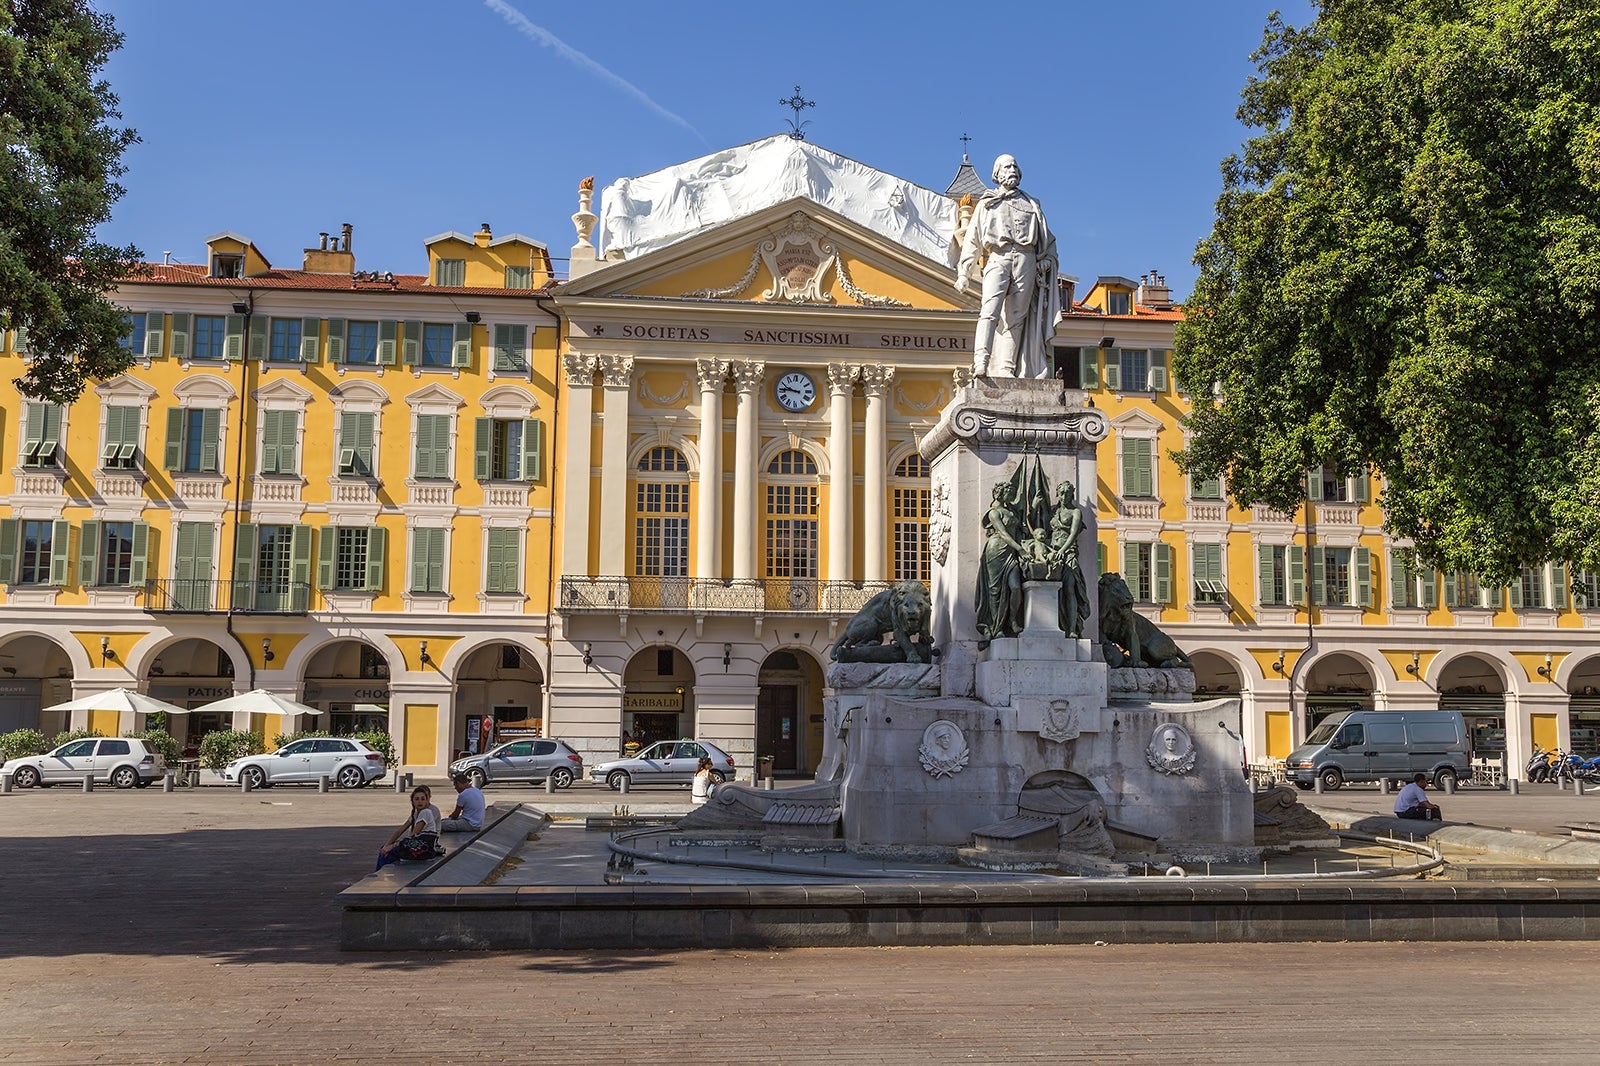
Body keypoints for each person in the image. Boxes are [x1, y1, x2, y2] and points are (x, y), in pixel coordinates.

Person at [954, 154, 1061, 378]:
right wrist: (964, 273)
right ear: (997, 174)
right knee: (989, 310)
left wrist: (1047, 260)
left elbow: (1048, 242)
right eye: (1007, 166)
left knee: (1017, 317)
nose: (1012, 169)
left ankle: (1007, 368)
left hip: (1026, 258)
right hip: (998, 256)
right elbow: (972, 239)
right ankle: (981, 361)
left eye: (1014, 166)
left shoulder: (1031, 204)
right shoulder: (986, 203)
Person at [974, 481, 1027, 649]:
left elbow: (1017, 530)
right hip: (996, 551)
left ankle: (1012, 619)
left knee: (1016, 587)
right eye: (1009, 493)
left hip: (1011, 554)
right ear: (999, 494)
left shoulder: (1011, 511)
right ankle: (996, 628)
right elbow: (1003, 533)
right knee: (995, 591)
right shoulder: (993, 513)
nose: (1012, 496)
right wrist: (1020, 548)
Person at [1049, 481, 1089, 639]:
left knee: (1069, 589)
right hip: (1052, 554)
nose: (1064, 496)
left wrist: (1062, 550)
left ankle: (1072, 628)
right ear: (1057, 494)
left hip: (1068, 554)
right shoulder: (1053, 511)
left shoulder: (1075, 512)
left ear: (1072, 494)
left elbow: (1073, 534)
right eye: (1061, 493)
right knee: (1052, 590)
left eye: (1067, 493)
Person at [375, 785, 441, 870]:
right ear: (412, 802)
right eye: (416, 799)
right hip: (417, 847)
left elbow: (413, 836)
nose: (420, 802)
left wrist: (391, 846)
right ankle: (379, 873)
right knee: (384, 849)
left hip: (422, 850)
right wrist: (387, 845)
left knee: (387, 853)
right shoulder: (416, 814)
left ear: (427, 801)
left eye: (423, 799)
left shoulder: (426, 812)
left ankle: (377, 874)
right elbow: (399, 831)